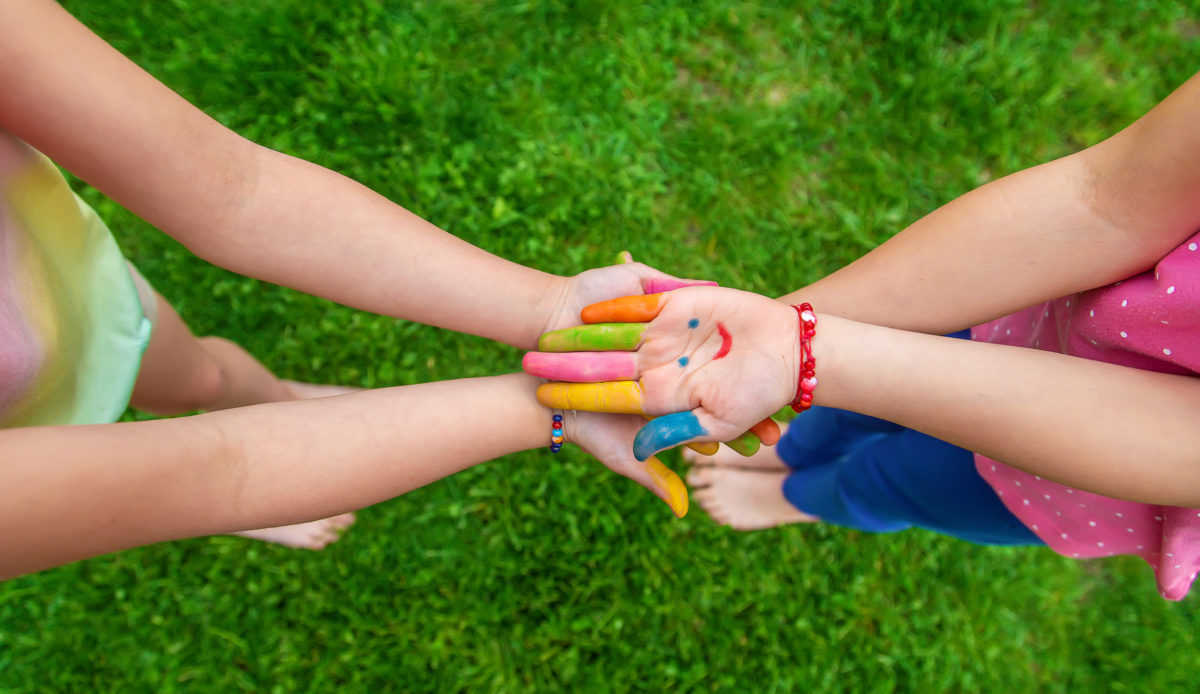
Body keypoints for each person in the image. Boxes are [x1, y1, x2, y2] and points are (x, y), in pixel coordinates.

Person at [0, 0, 704, 579]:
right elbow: (221, 472)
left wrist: (550, 309)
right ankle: (273, 492)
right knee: (203, 475)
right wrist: (554, 406)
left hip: (87, 300)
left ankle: (275, 402)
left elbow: (235, 193)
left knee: (205, 377)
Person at [526, 70, 1200, 600]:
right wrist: (777, 332)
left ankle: (794, 499)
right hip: (1036, 306)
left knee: (895, 482)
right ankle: (796, 447)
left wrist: (806, 351)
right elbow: (1104, 202)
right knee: (840, 407)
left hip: (1098, 472)